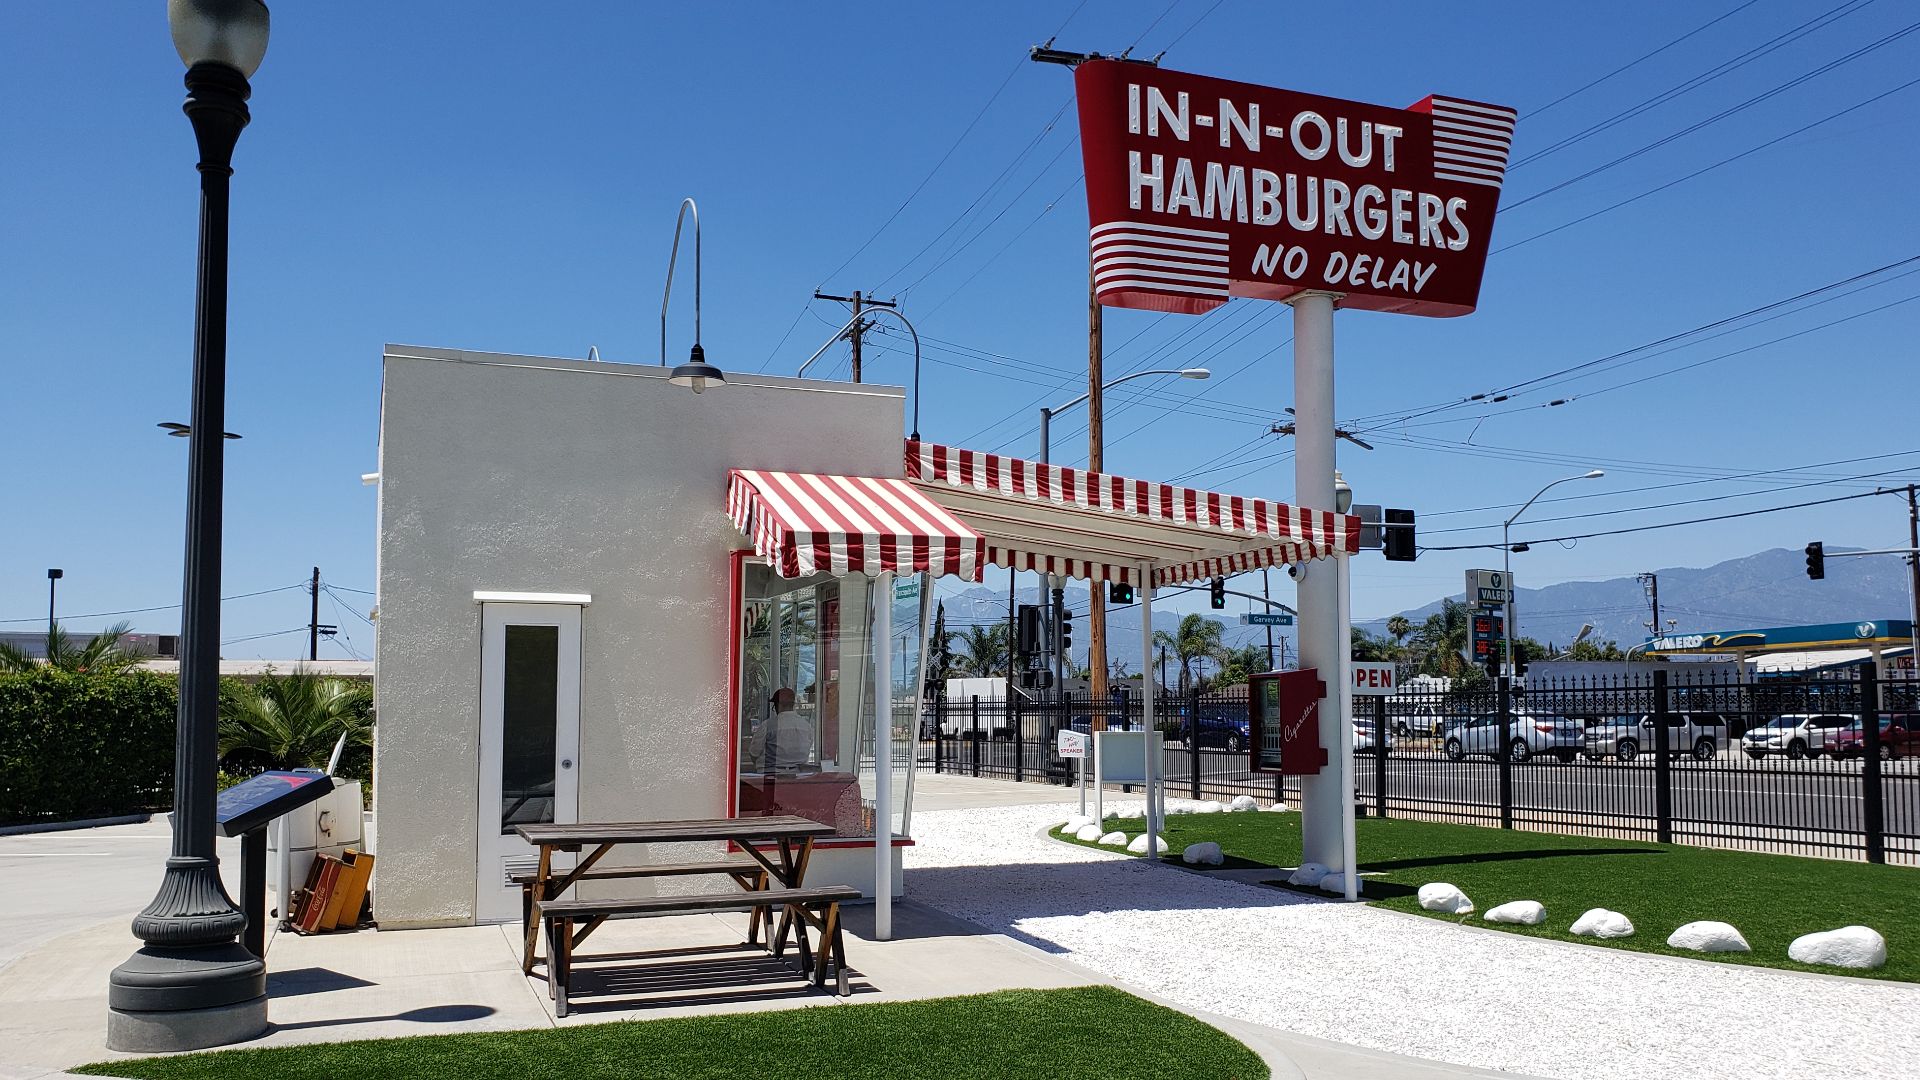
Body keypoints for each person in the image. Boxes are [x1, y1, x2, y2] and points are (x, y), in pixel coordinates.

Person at [749, 688, 814, 770]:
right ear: (793, 704)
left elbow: (754, 752)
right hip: (798, 773)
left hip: (770, 772)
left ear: (778, 705)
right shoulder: (806, 726)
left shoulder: (768, 725)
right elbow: (808, 747)